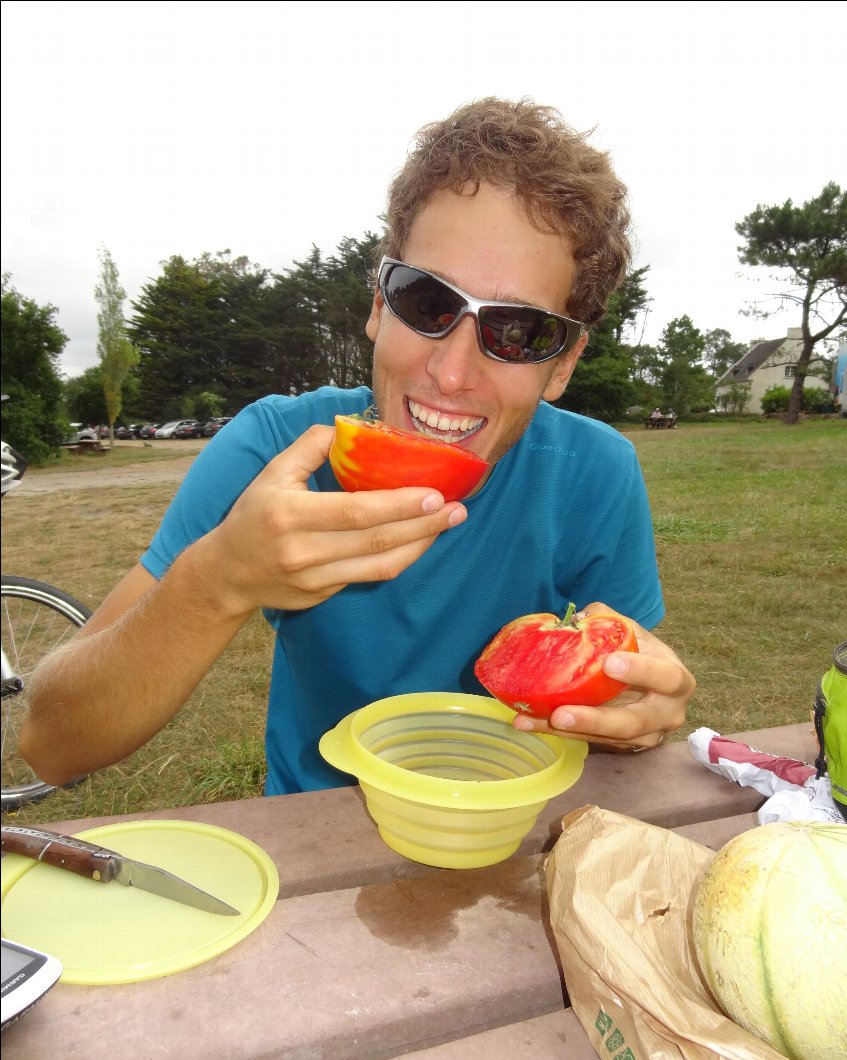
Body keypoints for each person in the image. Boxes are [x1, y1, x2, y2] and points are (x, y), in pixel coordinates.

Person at [20, 97, 695, 795]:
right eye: (428, 302)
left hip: (513, 835)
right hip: (315, 840)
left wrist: (634, 709)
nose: (450, 372)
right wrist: (217, 579)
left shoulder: (595, 473)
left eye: (518, 332)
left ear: (562, 366)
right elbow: (52, 745)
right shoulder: (278, 450)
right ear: (378, 304)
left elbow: (613, 717)